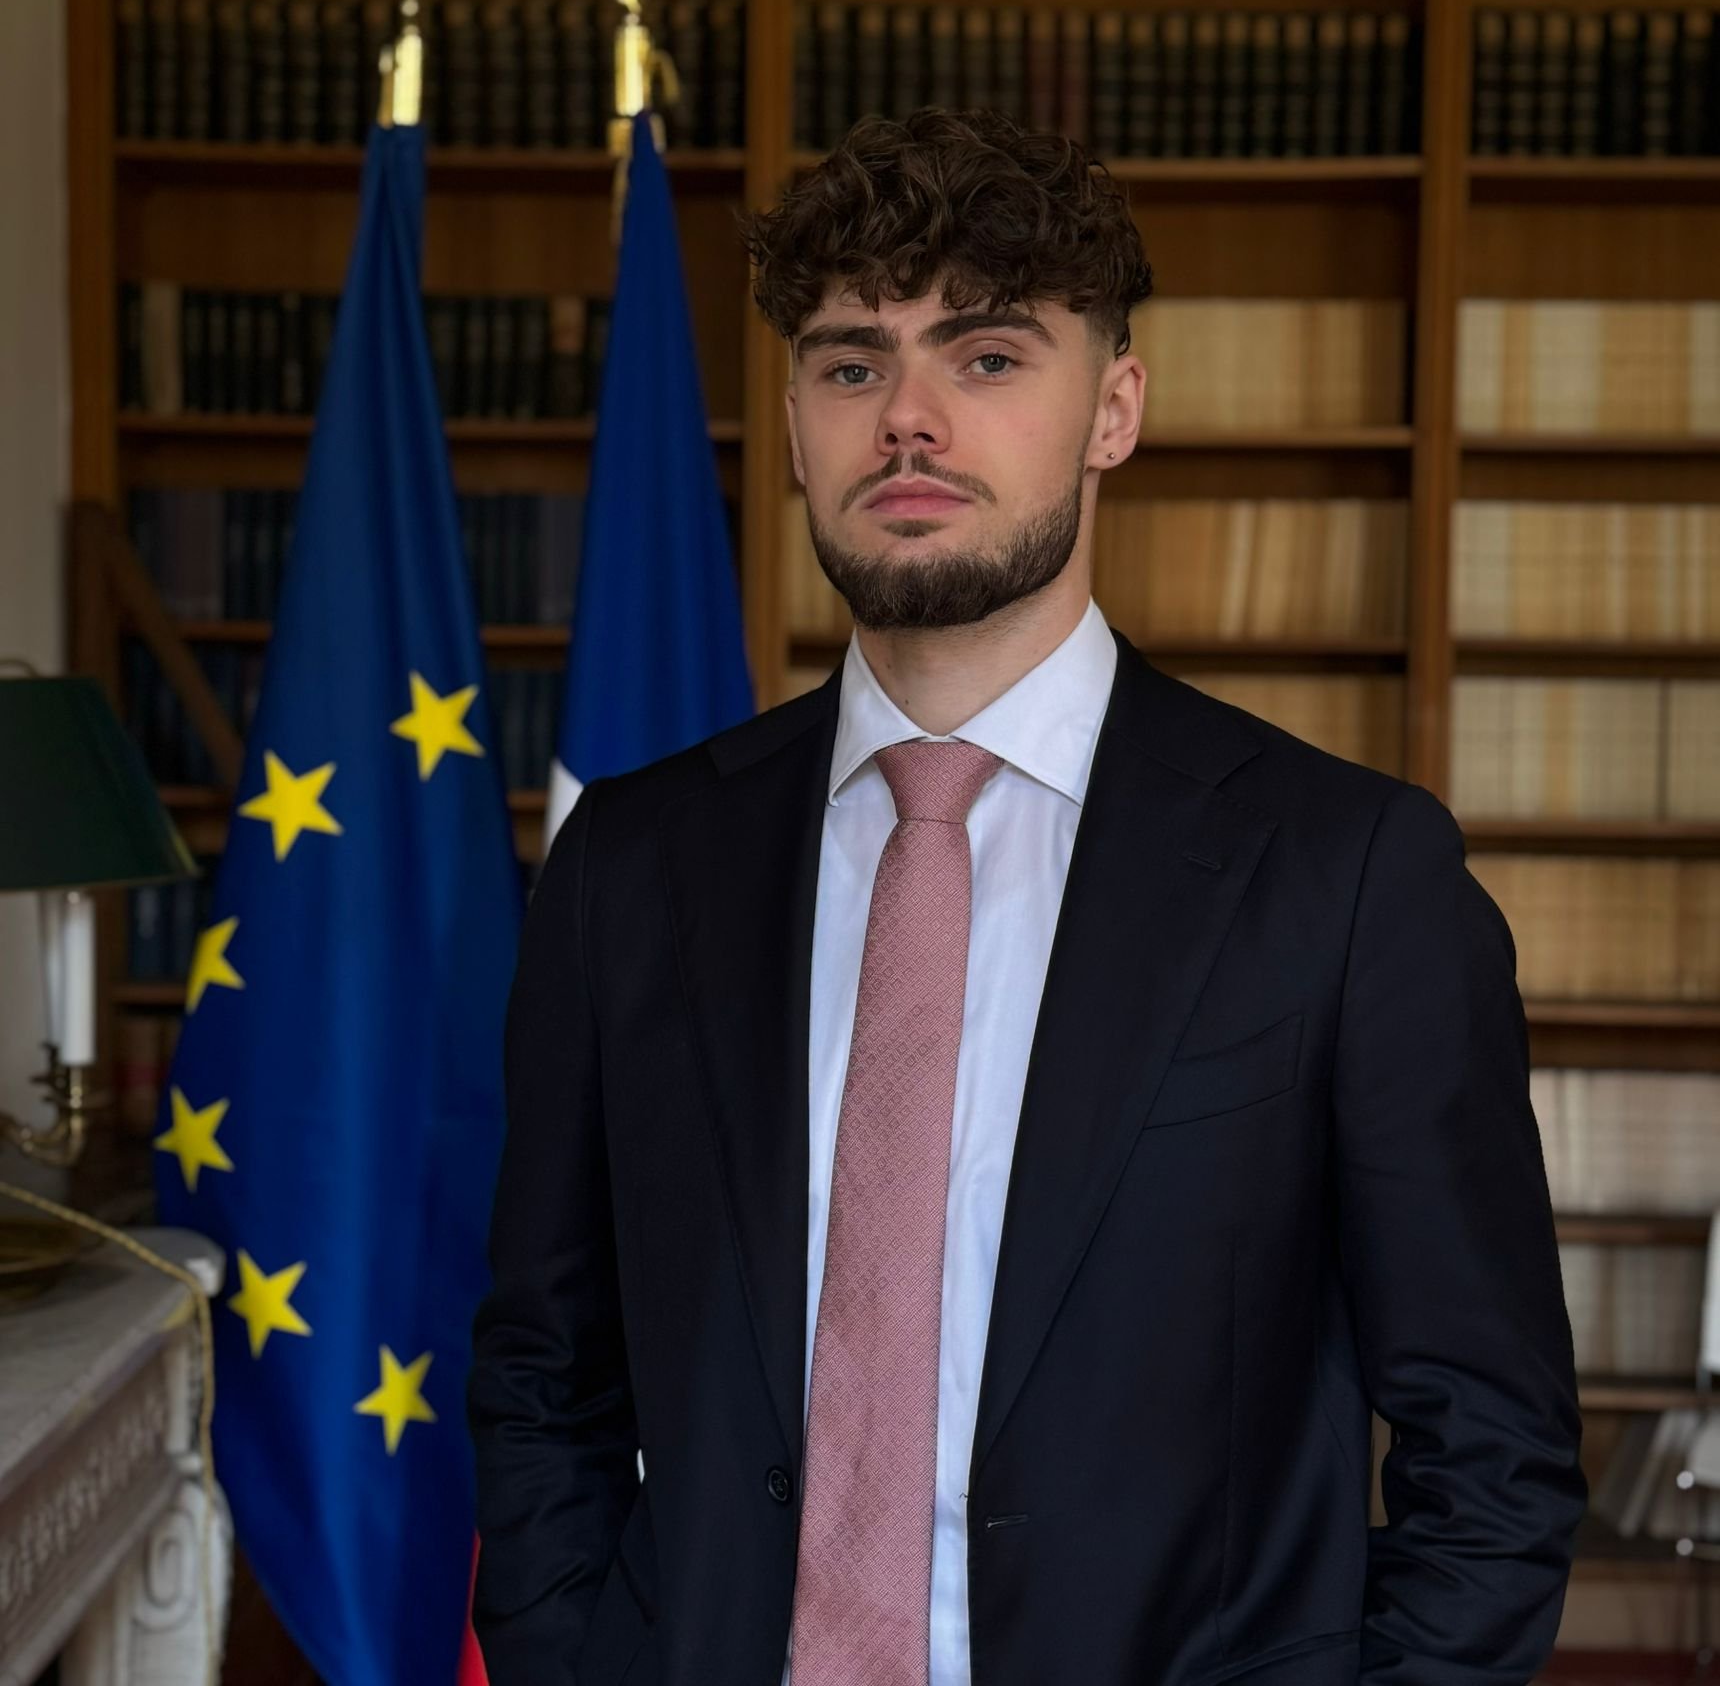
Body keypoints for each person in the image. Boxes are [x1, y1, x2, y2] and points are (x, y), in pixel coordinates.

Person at [466, 107, 1587, 1686]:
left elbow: (1495, 1444)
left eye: (987, 358)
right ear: (791, 422)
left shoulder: (1343, 877)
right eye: (854, 364)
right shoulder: (633, 871)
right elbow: (543, 1370)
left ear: (1112, 408)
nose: (908, 420)